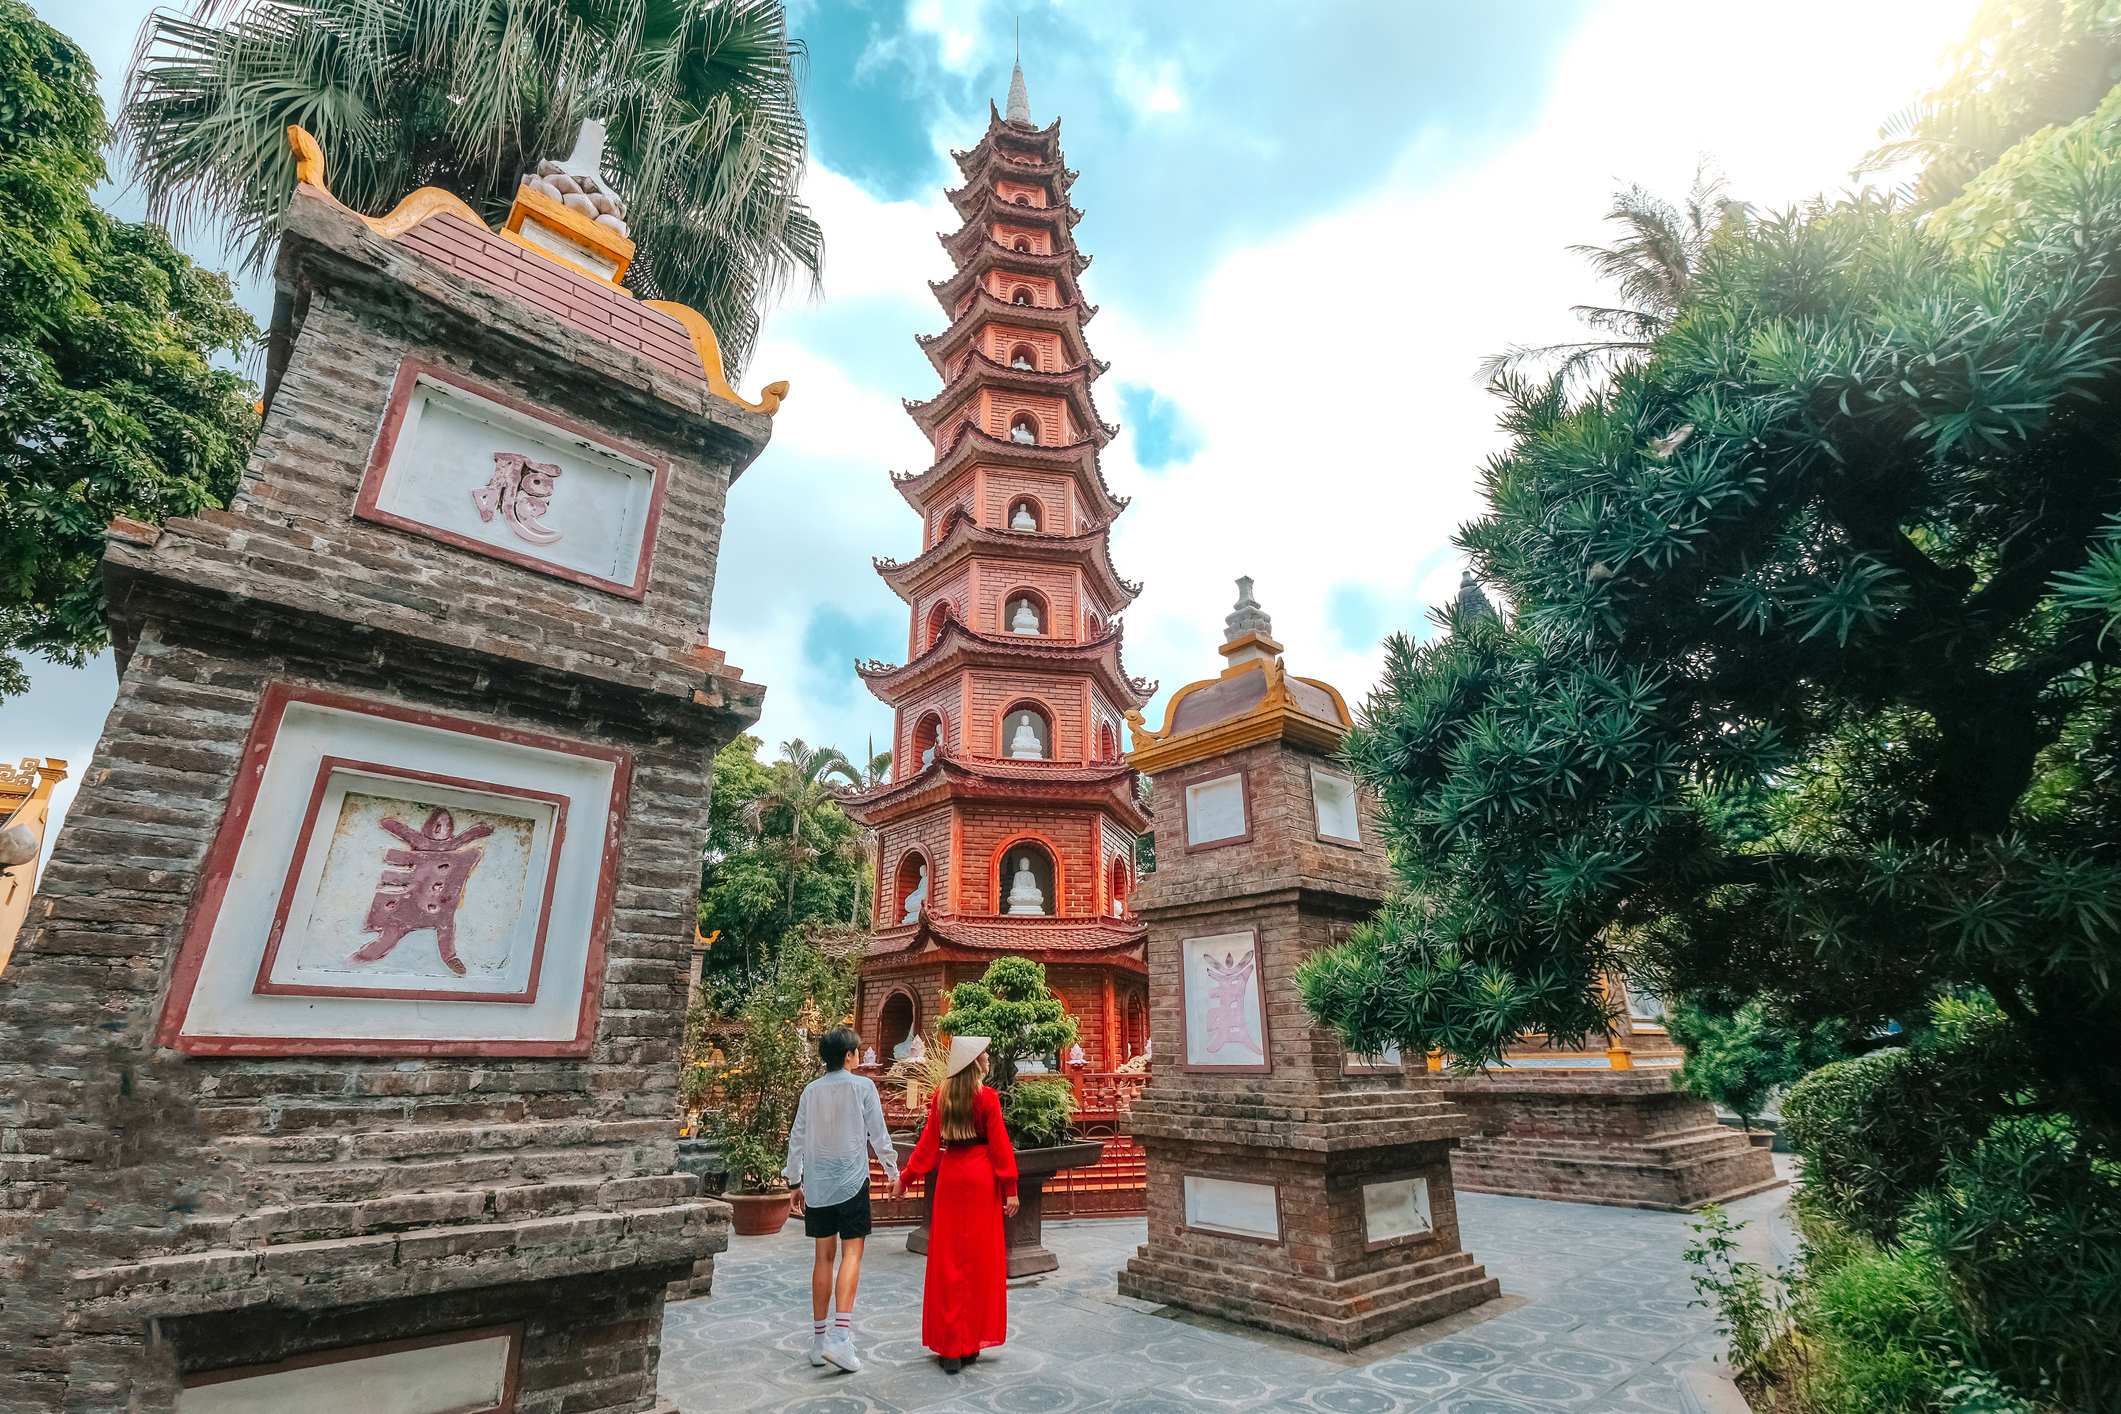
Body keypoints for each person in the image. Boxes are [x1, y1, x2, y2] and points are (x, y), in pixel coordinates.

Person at [892, 1035, 1018, 1373]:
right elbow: (1001, 1147)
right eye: (984, 1055)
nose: (988, 1058)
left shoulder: (941, 1096)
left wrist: (905, 1179)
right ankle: (970, 1341)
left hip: (951, 1179)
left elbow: (928, 1147)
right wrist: (1011, 1188)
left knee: (949, 1263)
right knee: (977, 1262)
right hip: (980, 1179)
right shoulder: (987, 1098)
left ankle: (950, 1347)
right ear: (975, 1062)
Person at [784, 1025, 898, 1373]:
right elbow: (878, 1134)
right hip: (851, 1181)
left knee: (823, 1257)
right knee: (852, 1254)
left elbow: (797, 1136)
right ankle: (841, 1337)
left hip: (818, 1184)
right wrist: (892, 1170)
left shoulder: (811, 1091)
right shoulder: (862, 1087)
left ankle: (819, 1342)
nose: (859, 1055)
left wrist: (794, 1180)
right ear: (848, 1055)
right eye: (856, 1051)